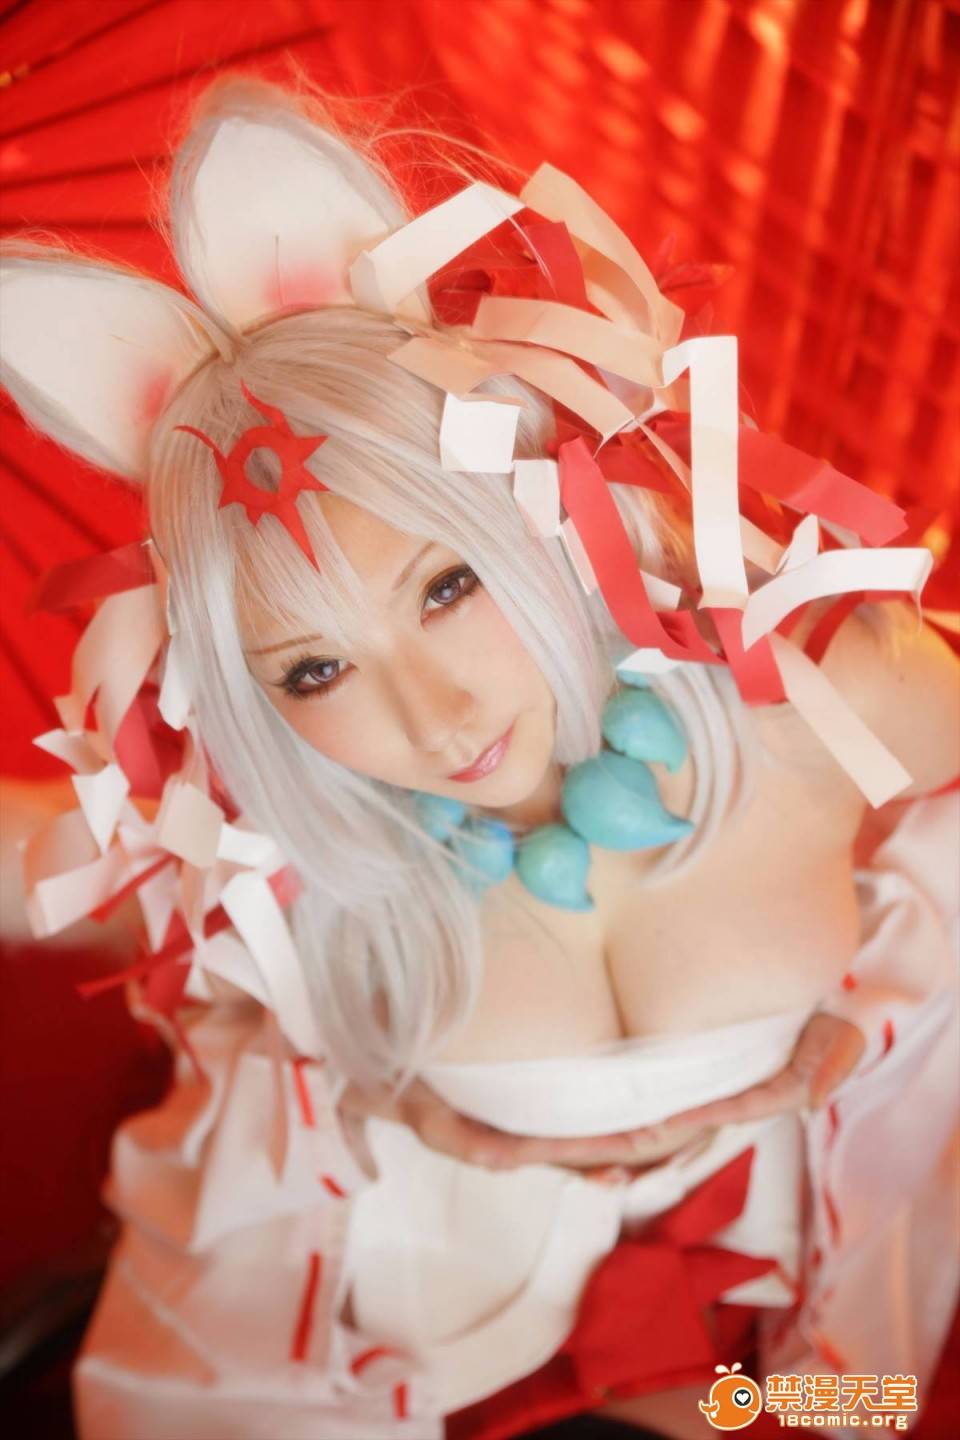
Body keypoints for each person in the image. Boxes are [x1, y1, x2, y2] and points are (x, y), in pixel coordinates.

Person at [1, 72, 957, 1440]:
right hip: (434, 1388)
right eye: (314, 670)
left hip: (815, 1379)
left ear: (543, 500)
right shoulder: (269, 851)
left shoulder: (817, 686)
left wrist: (886, 1015)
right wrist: (384, 1105)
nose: (436, 719)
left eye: (447, 584)